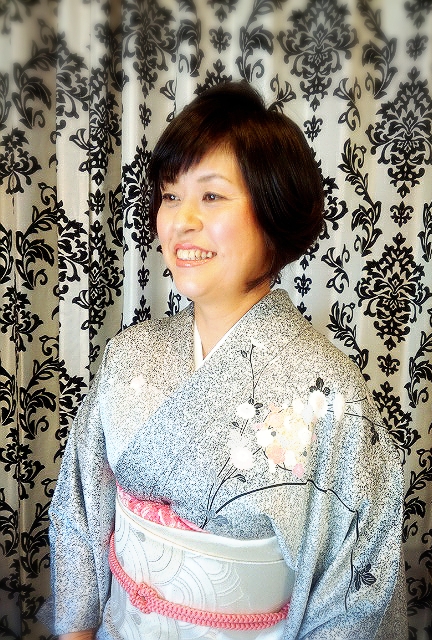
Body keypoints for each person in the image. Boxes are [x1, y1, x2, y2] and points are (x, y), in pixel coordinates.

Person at [43, 81, 407, 639]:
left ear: (273, 212)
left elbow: (357, 587)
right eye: (170, 195)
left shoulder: (331, 393)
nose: (180, 220)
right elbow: (80, 510)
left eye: (211, 196)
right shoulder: (129, 355)